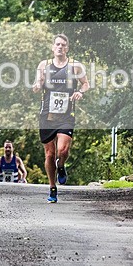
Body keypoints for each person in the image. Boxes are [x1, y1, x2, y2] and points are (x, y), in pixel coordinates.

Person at [32, 33, 89, 203]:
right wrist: (37, 85)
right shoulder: (44, 65)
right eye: (57, 44)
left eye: (63, 45)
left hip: (66, 115)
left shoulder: (75, 66)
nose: (60, 47)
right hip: (47, 115)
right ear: (52, 47)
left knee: (62, 150)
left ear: (67, 48)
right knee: (49, 154)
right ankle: (52, 187)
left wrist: (80, 92)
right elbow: (38, 82)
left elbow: (85, 83)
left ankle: (61, 165)